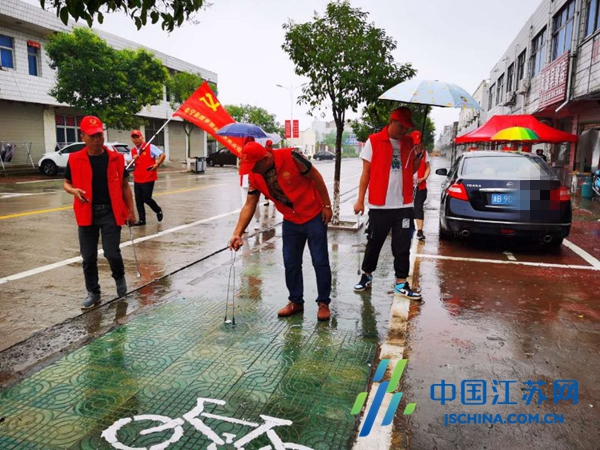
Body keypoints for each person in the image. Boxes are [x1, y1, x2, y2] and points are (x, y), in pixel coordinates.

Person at [228, 141, 333, 321]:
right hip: (291, 220)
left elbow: (316, 176)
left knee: (320, 260)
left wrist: (326, 205)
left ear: (266, 158)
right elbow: (250, 204)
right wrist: (237, 232)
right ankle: (296, 301)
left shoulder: (292, 156)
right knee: (291, 263)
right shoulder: (255, 176)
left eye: (254, 166)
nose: (252, 170)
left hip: (313, 215)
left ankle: (323, 303)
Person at [63, 116, 136, 310]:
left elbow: (125, 186)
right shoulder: (75, 158)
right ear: (83, 136)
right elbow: (66, 182)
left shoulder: (115, 158)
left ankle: (120, 280)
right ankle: (93, 292)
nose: (97, 139)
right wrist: (73, 191)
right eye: (93, 136)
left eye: (100, 135)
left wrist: (131, 211)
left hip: (110, 212)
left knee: (112, 252)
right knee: (88, 257)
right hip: (86, 213)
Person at [353, 107, 424, 300]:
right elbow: (366, 173)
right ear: (392, 122)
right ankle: (366, 275)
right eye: (401, 126)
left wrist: (418, 155)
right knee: (374, 243)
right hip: (379, 205)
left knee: (402, 246)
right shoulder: (374, 141)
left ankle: (401, 283)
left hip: (403, 204)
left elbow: (412, 171)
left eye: (407, 127)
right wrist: (360, 200)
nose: (404, 131)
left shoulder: (409, 143)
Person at [130, 130, 166, 226]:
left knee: (146, 198)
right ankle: (142, 220)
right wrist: (133, 158)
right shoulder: (133, 151)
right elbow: (130, 162)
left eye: (138, 137)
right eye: (134, 137)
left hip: (148, 177)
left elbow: (162, 155)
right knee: (138, 200)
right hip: (137, 178)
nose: (136, 139)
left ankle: (158, 210)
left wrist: (157, 163)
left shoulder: (149, 147)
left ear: (142, 137)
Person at [414, 149, 431, 241]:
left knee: (418, 206)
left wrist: (424, 177)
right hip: (407, 187)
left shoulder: (424, 153)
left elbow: (428, 167)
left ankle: (419, 231)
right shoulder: (406, 150)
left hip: (420, 187)